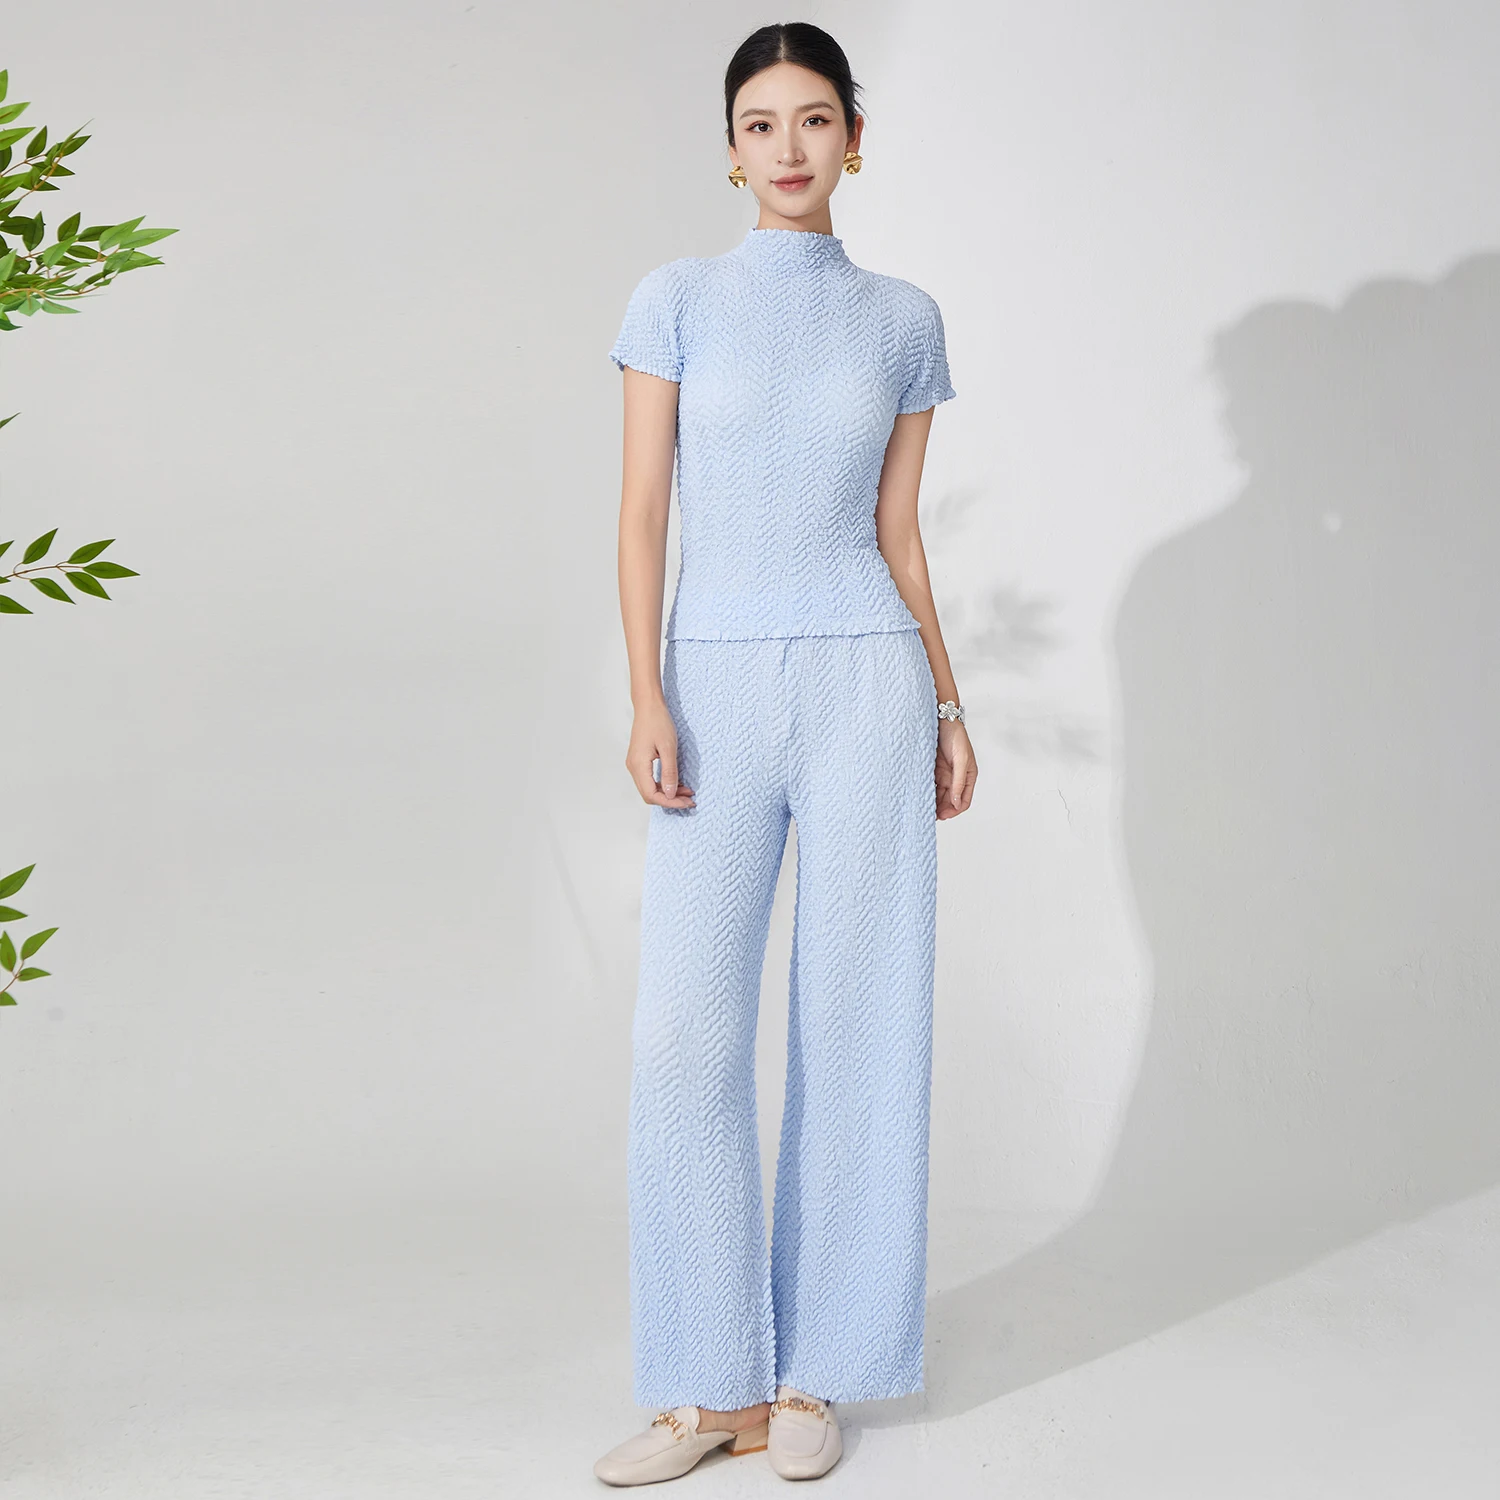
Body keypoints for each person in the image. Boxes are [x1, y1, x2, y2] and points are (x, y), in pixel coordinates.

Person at [594, 21, 977, 1487]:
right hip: (712, 680)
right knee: (685, 1035)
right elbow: (643, 514)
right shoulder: (677, 300)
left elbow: (899, 536)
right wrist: (648, 692)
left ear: (854, 140)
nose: (790, 147)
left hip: (870, 676)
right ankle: (709, 1386)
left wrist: (947, 706)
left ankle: (821, 1370)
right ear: (731, 149)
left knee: (862, 1019)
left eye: (816, 119)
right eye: (761, 123)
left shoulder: (903, 319)